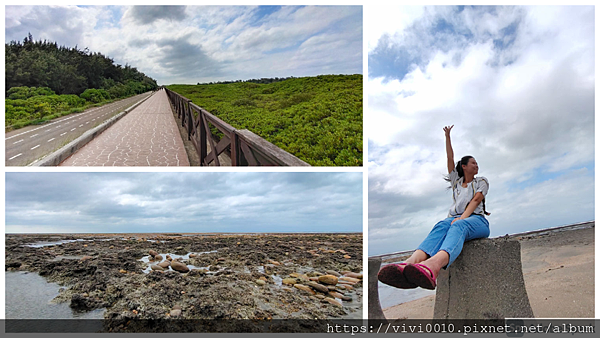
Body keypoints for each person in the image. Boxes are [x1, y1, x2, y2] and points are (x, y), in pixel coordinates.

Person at [378, 125, 490, 290]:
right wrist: (448, 137)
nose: (477, 165)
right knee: (441, 224)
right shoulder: (457, 182)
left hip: (477, 221)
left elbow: (475, 201)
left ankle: (432, 266)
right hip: (455, 219)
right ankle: (408, 264)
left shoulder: (482, 181)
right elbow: (450, 159)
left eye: (477, 163)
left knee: (458, 224)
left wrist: (461, 218)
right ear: (464, 166)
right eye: (473, 163)